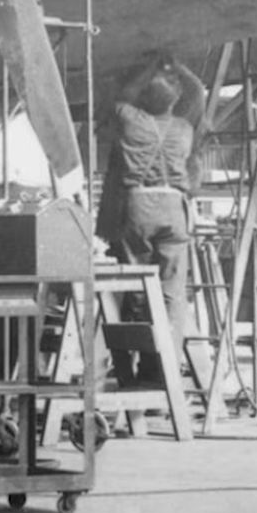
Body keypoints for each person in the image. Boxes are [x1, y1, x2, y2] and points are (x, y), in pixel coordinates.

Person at [96, 59, 205, 355]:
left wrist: (150, 64)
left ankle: (139, 358)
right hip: (173, 205)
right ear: (175, 100)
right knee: (171, 292)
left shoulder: (130, 119)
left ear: (144, 98)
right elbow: (199, 92)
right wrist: (179, 66)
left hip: (139, 205)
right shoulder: (184, 128)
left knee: (138, 284)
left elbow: (121, 96)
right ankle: (163, 364)